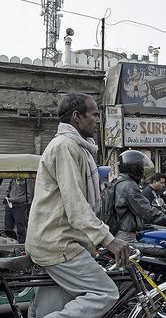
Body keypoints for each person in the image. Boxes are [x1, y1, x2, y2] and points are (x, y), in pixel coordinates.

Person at [25, 93, 130, 317]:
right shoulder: (65, 146)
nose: (97, 120)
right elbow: (76, 206)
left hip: (58, 239)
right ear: (76, 117)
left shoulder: (76, 146)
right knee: (105, 293)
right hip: (59, 242)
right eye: (93, 114)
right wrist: (108, 239)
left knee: (53, 309)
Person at [113, 150, 166, 244]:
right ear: (134, 168)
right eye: (141, 167)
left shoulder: (118, 182)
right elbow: (146, 211)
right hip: (126, 235)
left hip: (119, 231)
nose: (143, 171)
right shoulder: (129, 187)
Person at [3, 178, 34, 244]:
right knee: (8, 229)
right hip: (9, 206)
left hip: (20, 208)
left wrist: (14, 200)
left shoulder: (27, 180)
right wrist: (6, 197)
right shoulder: (13, 179)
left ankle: (22, 247)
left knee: (21, 229)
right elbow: (8, 190)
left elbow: (29, 197)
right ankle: (10, 248)